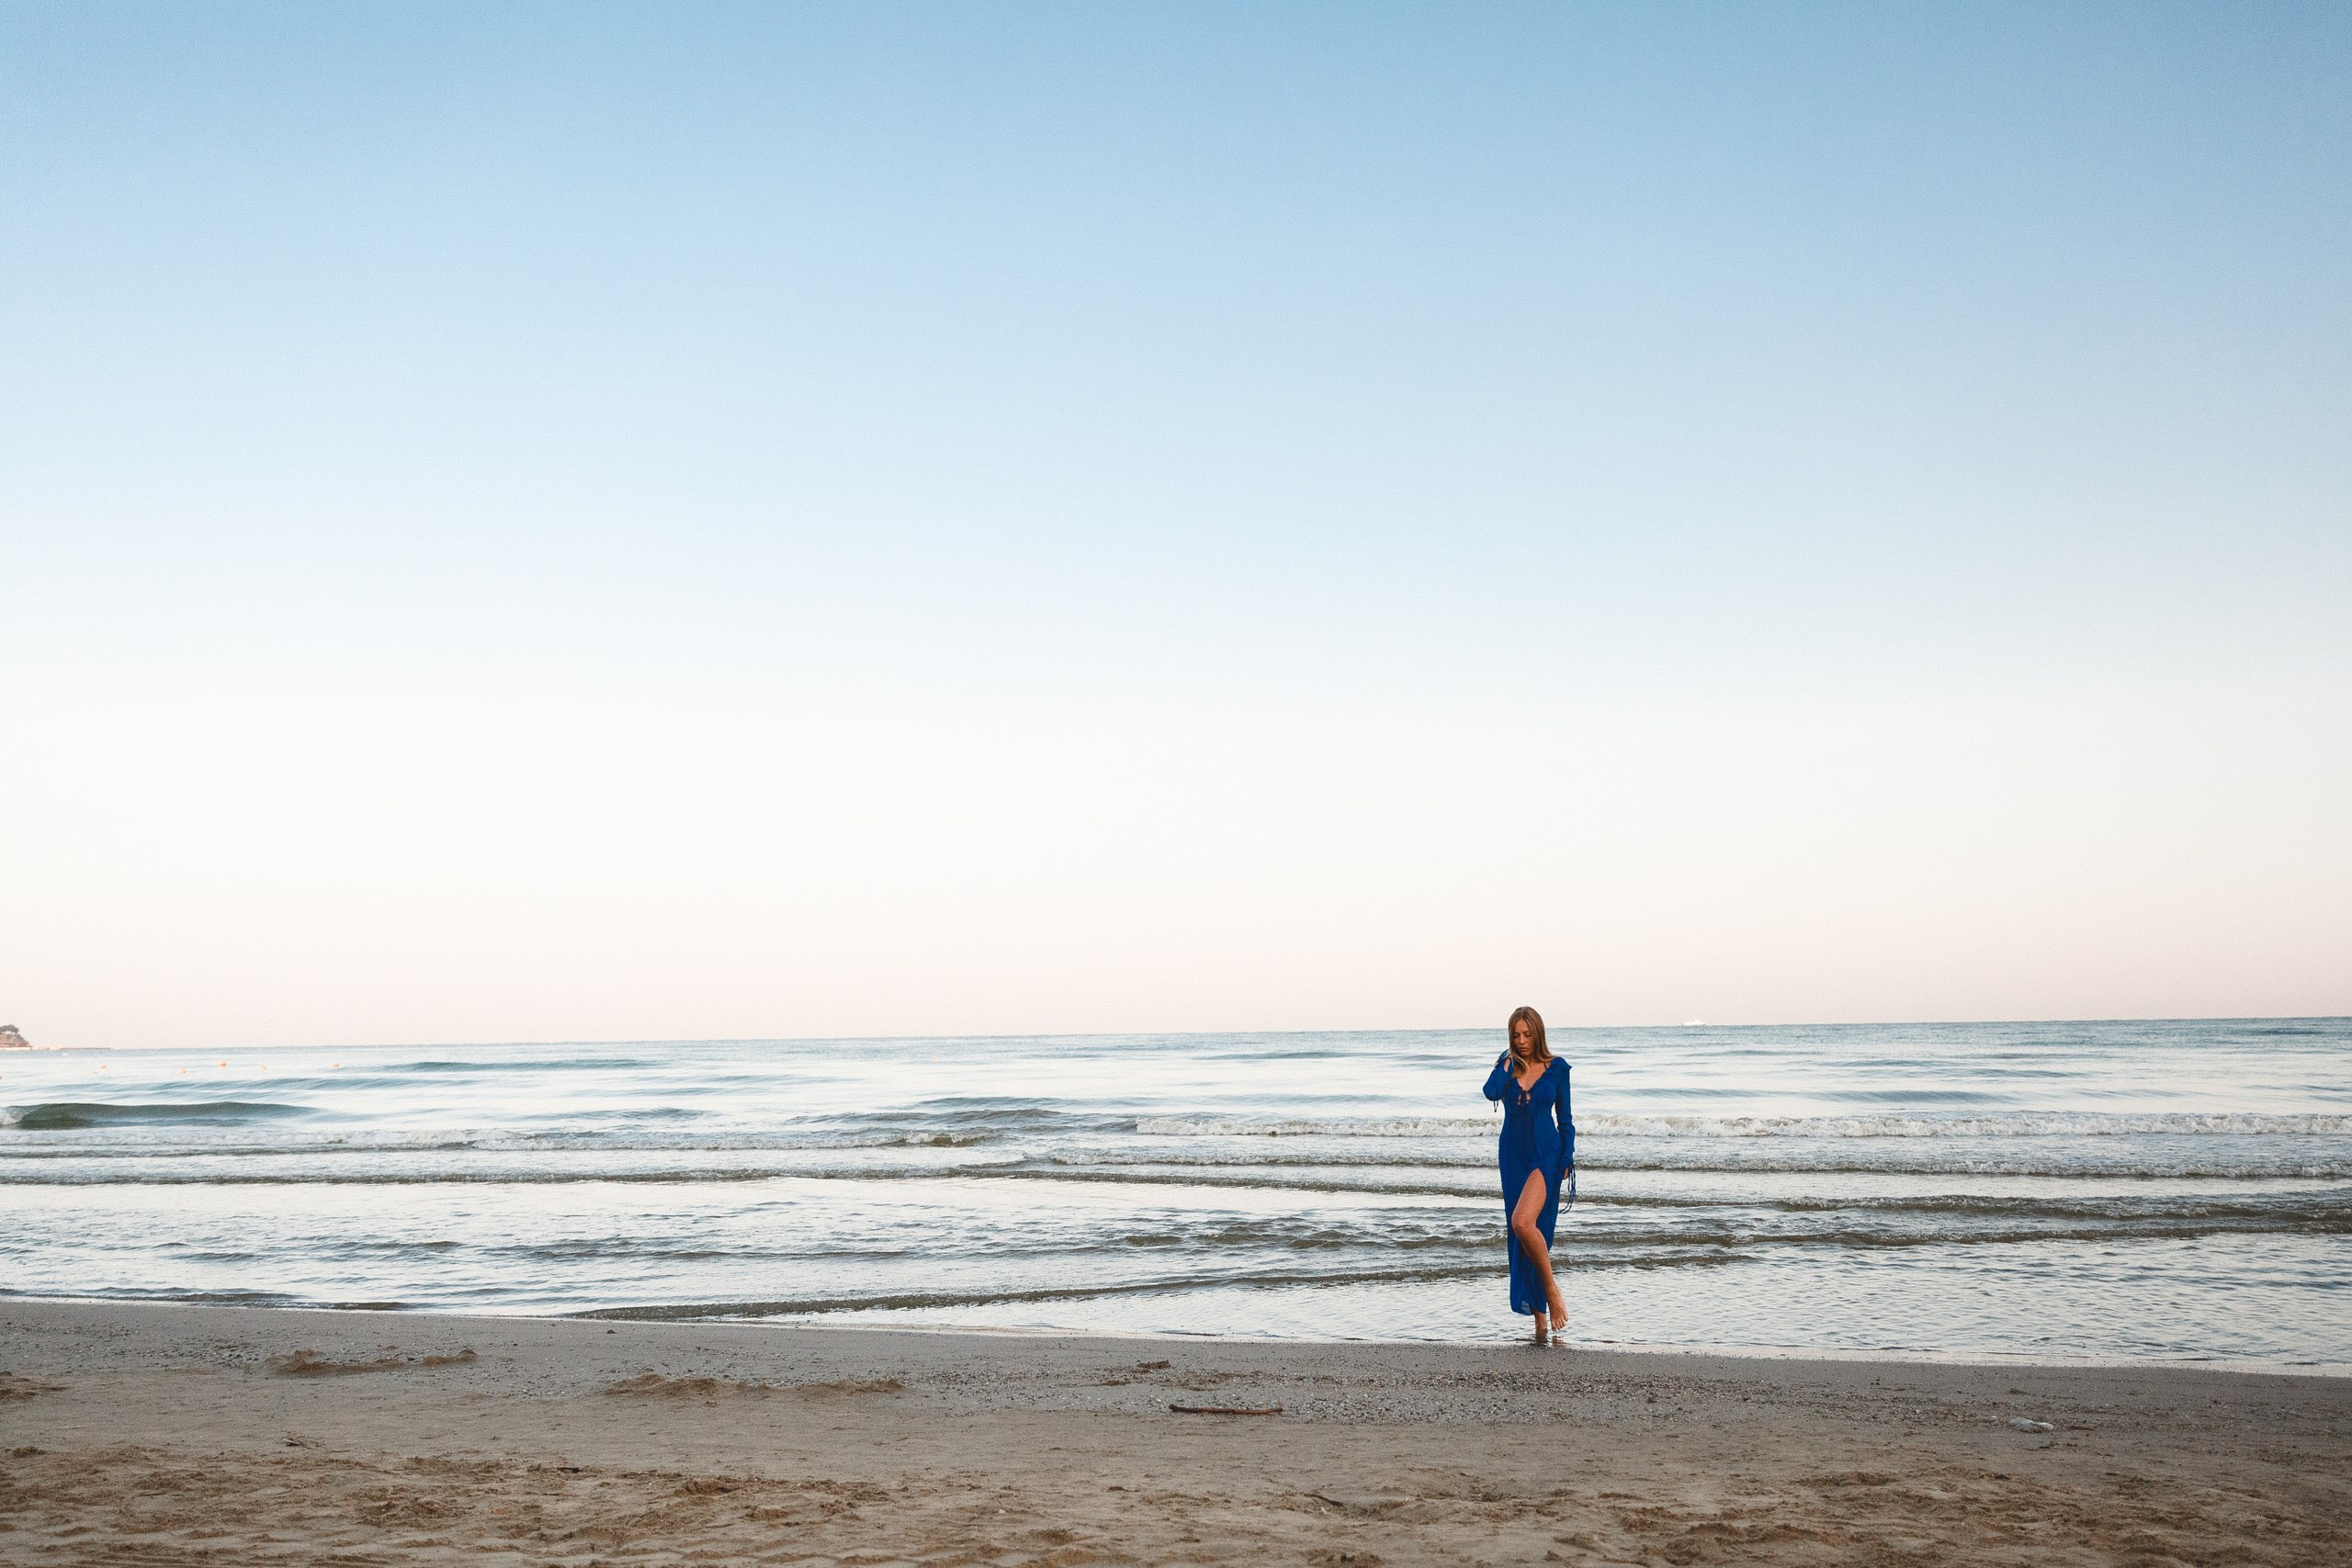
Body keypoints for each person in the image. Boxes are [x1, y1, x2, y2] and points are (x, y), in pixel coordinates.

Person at [1482, 1005, 1573, 1343]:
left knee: (1524, 1222)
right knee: (1522, 1237)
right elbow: (1490, 1092)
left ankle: (1551, 1291)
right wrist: (1505, 1061)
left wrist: (1567, 1156)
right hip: (1512, 1156)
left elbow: (1566, 1120)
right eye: (1516, 1035)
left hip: (1546, 1155)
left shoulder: (1557, 1068)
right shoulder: (1507, 1067)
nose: (1521, 1041)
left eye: (1527, 1034)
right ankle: (1539, 1324)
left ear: (1538, 1032)